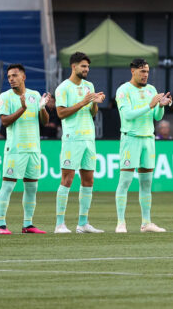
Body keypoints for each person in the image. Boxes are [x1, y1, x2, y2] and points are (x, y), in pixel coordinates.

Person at [114, 58, 172, 233]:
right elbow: (129, 115)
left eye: (147, 71)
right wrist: (150, 104)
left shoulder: (151, 90)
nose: (145, 74)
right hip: (131, 138)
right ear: (133, 71)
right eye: (142, 71)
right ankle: (121, 223)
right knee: (125, 181)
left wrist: (161, 106)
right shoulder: (123, 90)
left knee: (146, 183)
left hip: (148, 138)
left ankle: (146, 222)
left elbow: (157, 117)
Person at [0, 64, 50, 235]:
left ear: (23, 77)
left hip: (33, 149)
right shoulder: (5, 97)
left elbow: (45, 122)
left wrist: (42, 108)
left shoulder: (34, 95)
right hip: (15, 149)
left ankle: (28, 224)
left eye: (15, 75)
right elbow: (4, 121)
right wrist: (23, 108)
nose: (11, 79)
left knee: (32, 188)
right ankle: (1, 224)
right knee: (8, 186)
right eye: (9, 76)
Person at [54, 52, 105, 234]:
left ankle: (83, 223)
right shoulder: (63, 88)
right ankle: (60, 224)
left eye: (88, 67)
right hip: (72, 138)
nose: (86, 70)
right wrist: (83, 102)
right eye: (83, 66)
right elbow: (60, 113)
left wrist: (95, 103)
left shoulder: (89, 86)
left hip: (88, 139)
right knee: (67, 179)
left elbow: (92, 113)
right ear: (74, 66)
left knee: (88, 180)